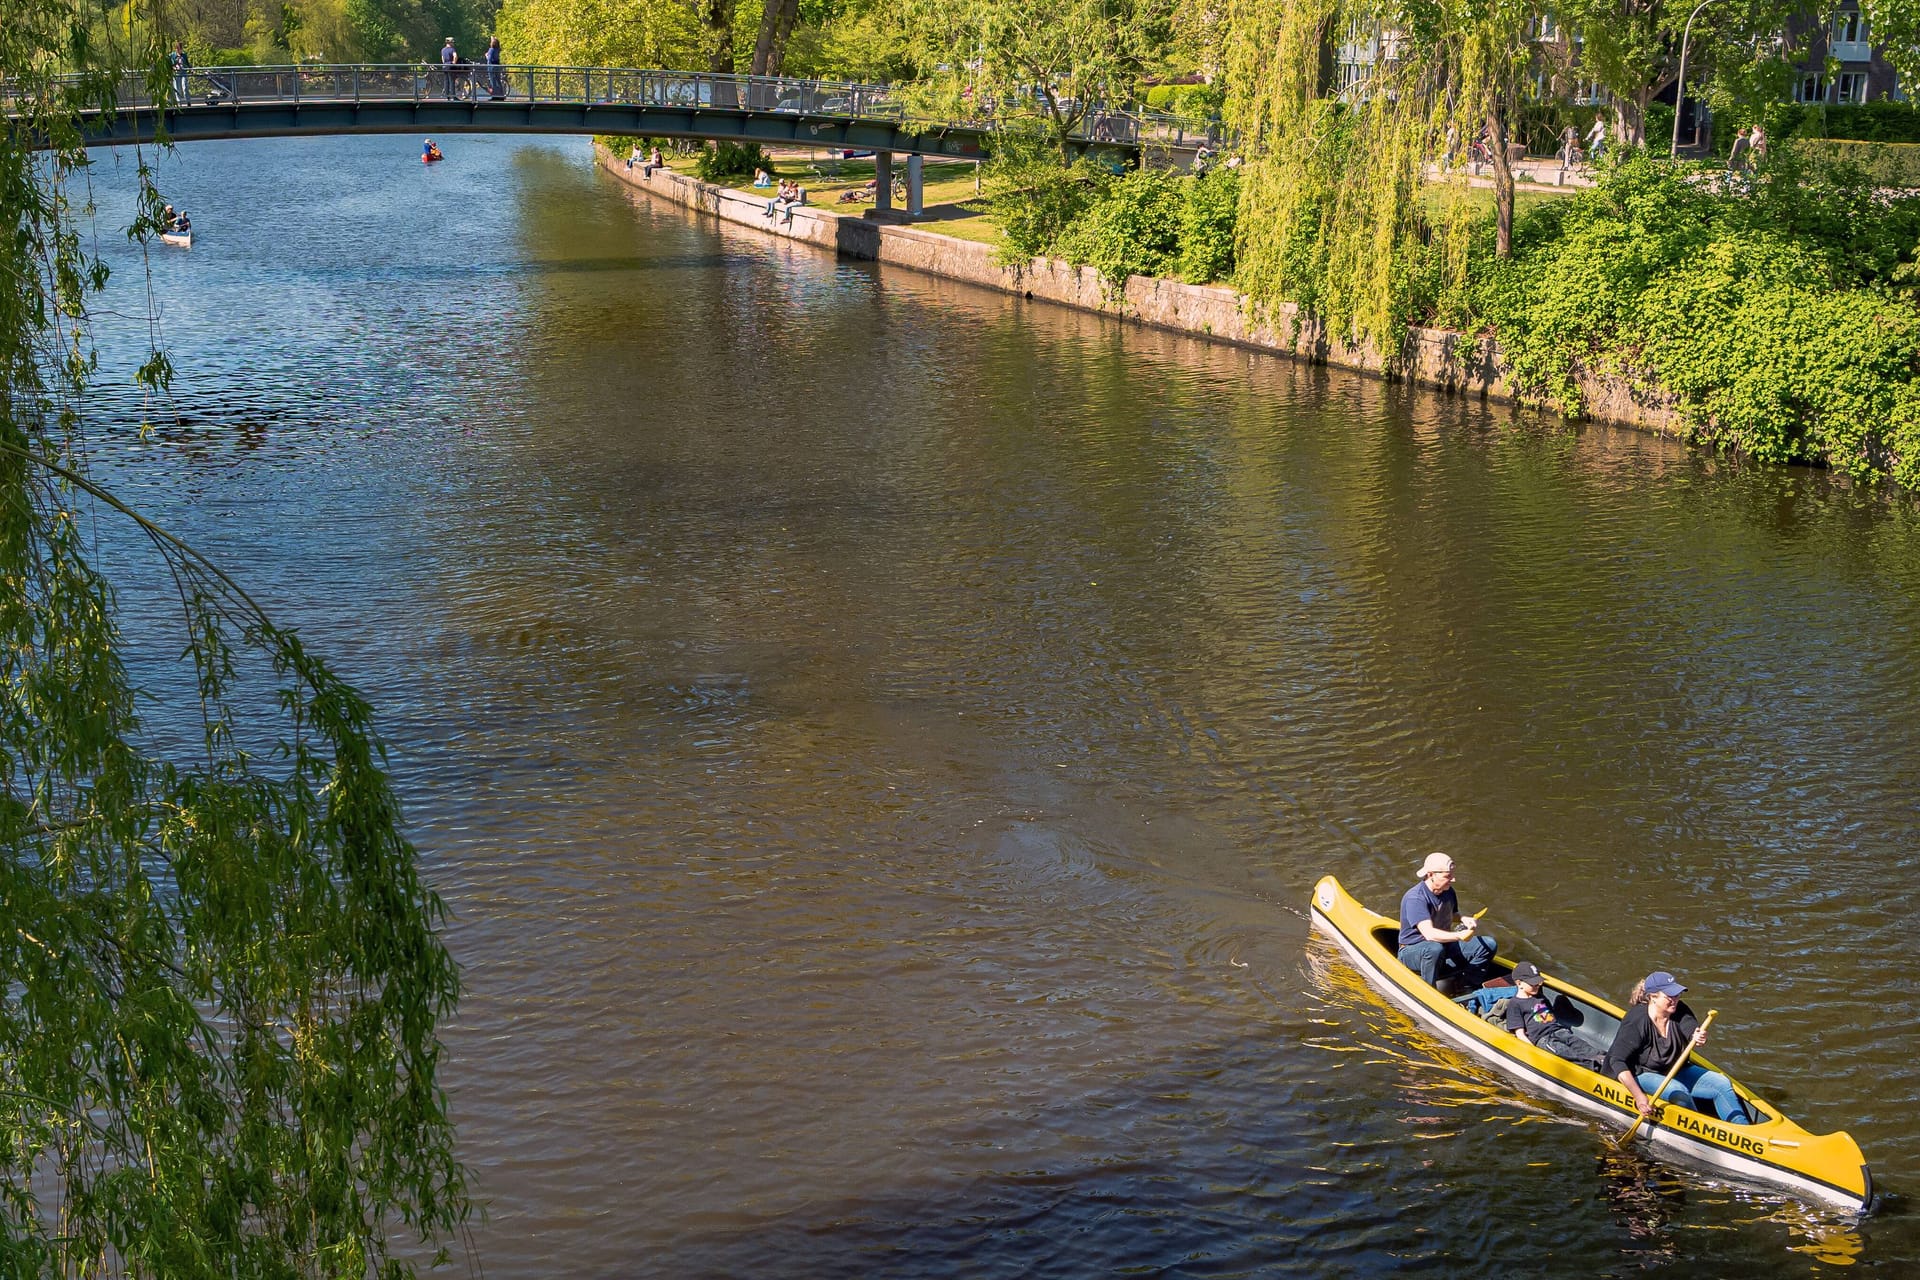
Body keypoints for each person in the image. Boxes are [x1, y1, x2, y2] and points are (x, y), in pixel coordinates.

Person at [1603, 971, 1752, 1125]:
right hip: (1640, 1073)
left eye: (1677, 995)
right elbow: (1618, 1061)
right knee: (1679, 1091)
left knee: (1721, 1083)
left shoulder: (1679, 1010)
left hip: (1674, 1069)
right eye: (1669, 996)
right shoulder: (1636, 1021)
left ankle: (1742, 1126)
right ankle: (1697, 1131)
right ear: (1653, 997)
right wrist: (1639, 1097)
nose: (1675, 1000)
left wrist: (1697, 1036)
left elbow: (1690, 1027)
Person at [1397, 852, 1498, 989]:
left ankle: (1467, 985)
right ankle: (1429, 990)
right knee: (1433, 948)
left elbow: (1452, 913)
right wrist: (1458, 935)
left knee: (1489, 944)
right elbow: (1429, 934)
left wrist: (1463, 918)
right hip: (1412, 951)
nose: (1453, 879)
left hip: (1442, 946)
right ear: (1431, 874)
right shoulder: (1415, 899)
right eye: (1447, 876)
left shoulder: (1448, 891)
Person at [1504, 962, 1606, 1071]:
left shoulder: (1540, 997)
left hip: (1558, 1031)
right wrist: (1533, 1052)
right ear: (1519, 983)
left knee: (1580, 1045)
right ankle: (1594, 1067)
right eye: (1533, 983)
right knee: (1565, 1054)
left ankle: (1605, 1059)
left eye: (1538, 982)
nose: (1538, 985)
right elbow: (1520, 1033)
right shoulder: (1515, 1004)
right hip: (1542, 1039)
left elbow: (1550, 1015)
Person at [485, 36, 504, 100]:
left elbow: (489, 59)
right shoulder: (497, 49)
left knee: (493, 82)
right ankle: (501, 95)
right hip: (497, 66)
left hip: (492, 67)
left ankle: (495, 96)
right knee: (498, 81)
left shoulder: (491, 49)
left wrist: (486, 56)